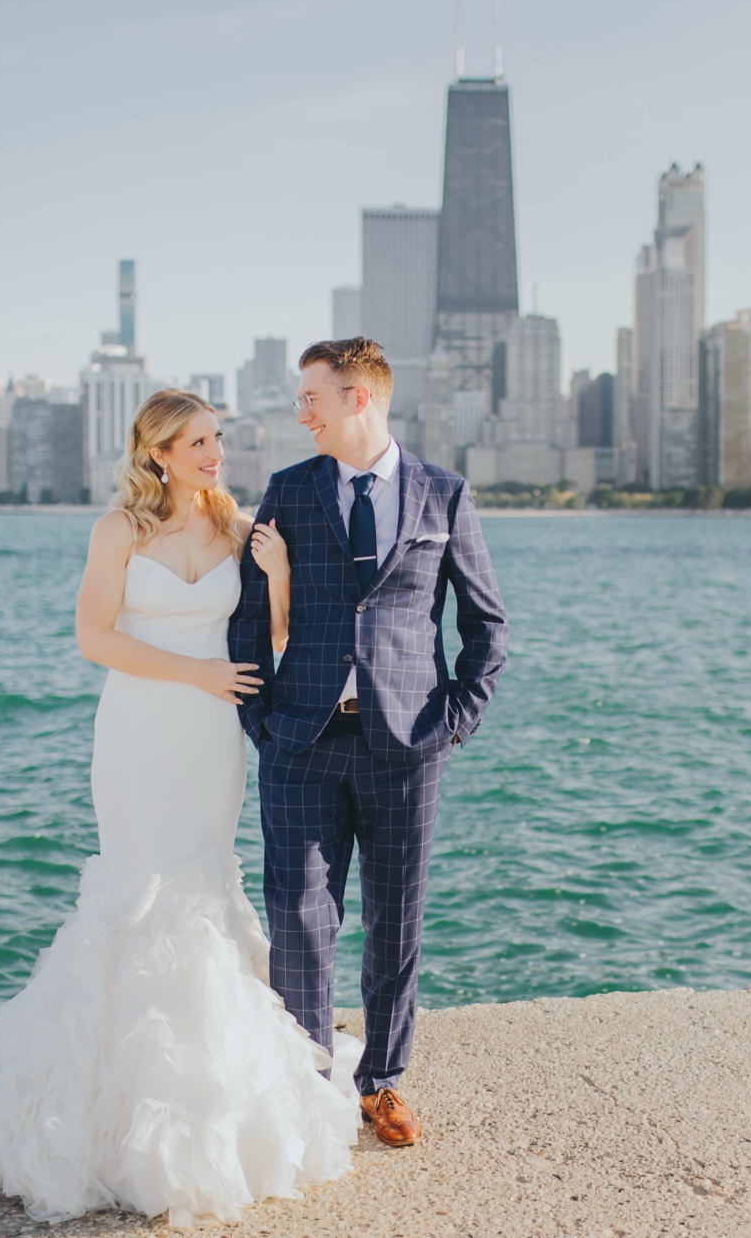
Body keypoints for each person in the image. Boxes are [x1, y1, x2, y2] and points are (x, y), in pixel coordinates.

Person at [0, 389, 357, 1228]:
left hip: (212, 740)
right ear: (158, 454)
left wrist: (280, 576)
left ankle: (203, 1091)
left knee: (202, 886)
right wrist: (197, 676)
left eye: (217, 439)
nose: (215, 454)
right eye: (196, 443)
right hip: (141, 732)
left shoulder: (237, 530)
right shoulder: (119, 530)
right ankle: (102, 1100)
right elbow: (95, 638)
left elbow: (276, 643)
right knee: (138, 891)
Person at [229, 337, 508, 1148]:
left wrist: (453, 721)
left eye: (311, 398)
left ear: (360, 399)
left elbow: (485, 627)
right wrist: (263, 721)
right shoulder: (287, 491)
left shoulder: (443, 495)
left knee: (395, 921)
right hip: (302, 743)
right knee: (299, 919)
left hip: (406, 747)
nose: (300, 414)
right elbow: (250, 618)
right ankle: (308, 1088)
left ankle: (381, 1085)